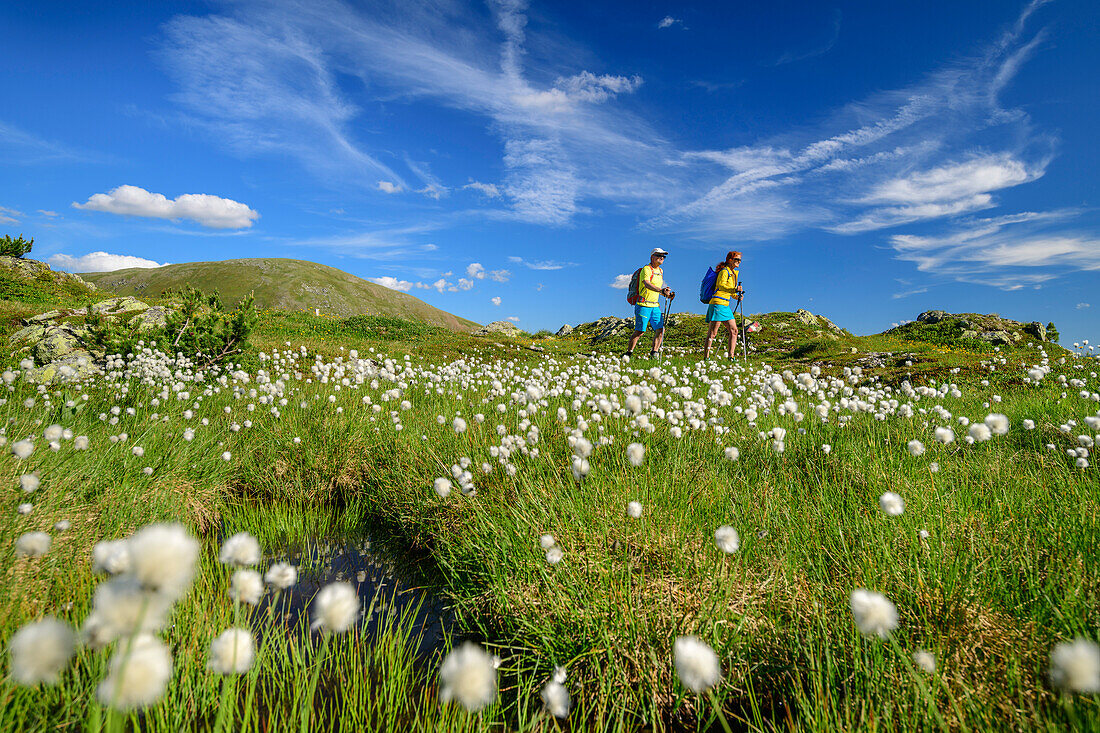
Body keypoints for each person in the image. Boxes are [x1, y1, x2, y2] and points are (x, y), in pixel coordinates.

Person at [625, 247, 675, 358]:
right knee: (640, 331)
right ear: (652, 257)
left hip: (655, 305)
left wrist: (665, 293)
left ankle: (654, 353)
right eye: (659, 255)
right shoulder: (646, 269)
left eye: (663, 256)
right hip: (643, 305)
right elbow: (647, 284)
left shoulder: (661, 271)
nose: (662, 258)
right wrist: (661, 290)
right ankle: (629, 353)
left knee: (660, 329)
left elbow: (657, 288)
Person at [702, 250, 743, 360]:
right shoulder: (724, 271)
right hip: (718, 304)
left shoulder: (733, 273)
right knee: (713, 332)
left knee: (734, 331)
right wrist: (734, 289)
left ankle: (731, 356)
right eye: (736, 259)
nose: (739, 261)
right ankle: (706, 357)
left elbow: (729, 291)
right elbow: (721, 285)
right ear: (730, 260)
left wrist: (736, 296)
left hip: (725, 305)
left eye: (740, 260)